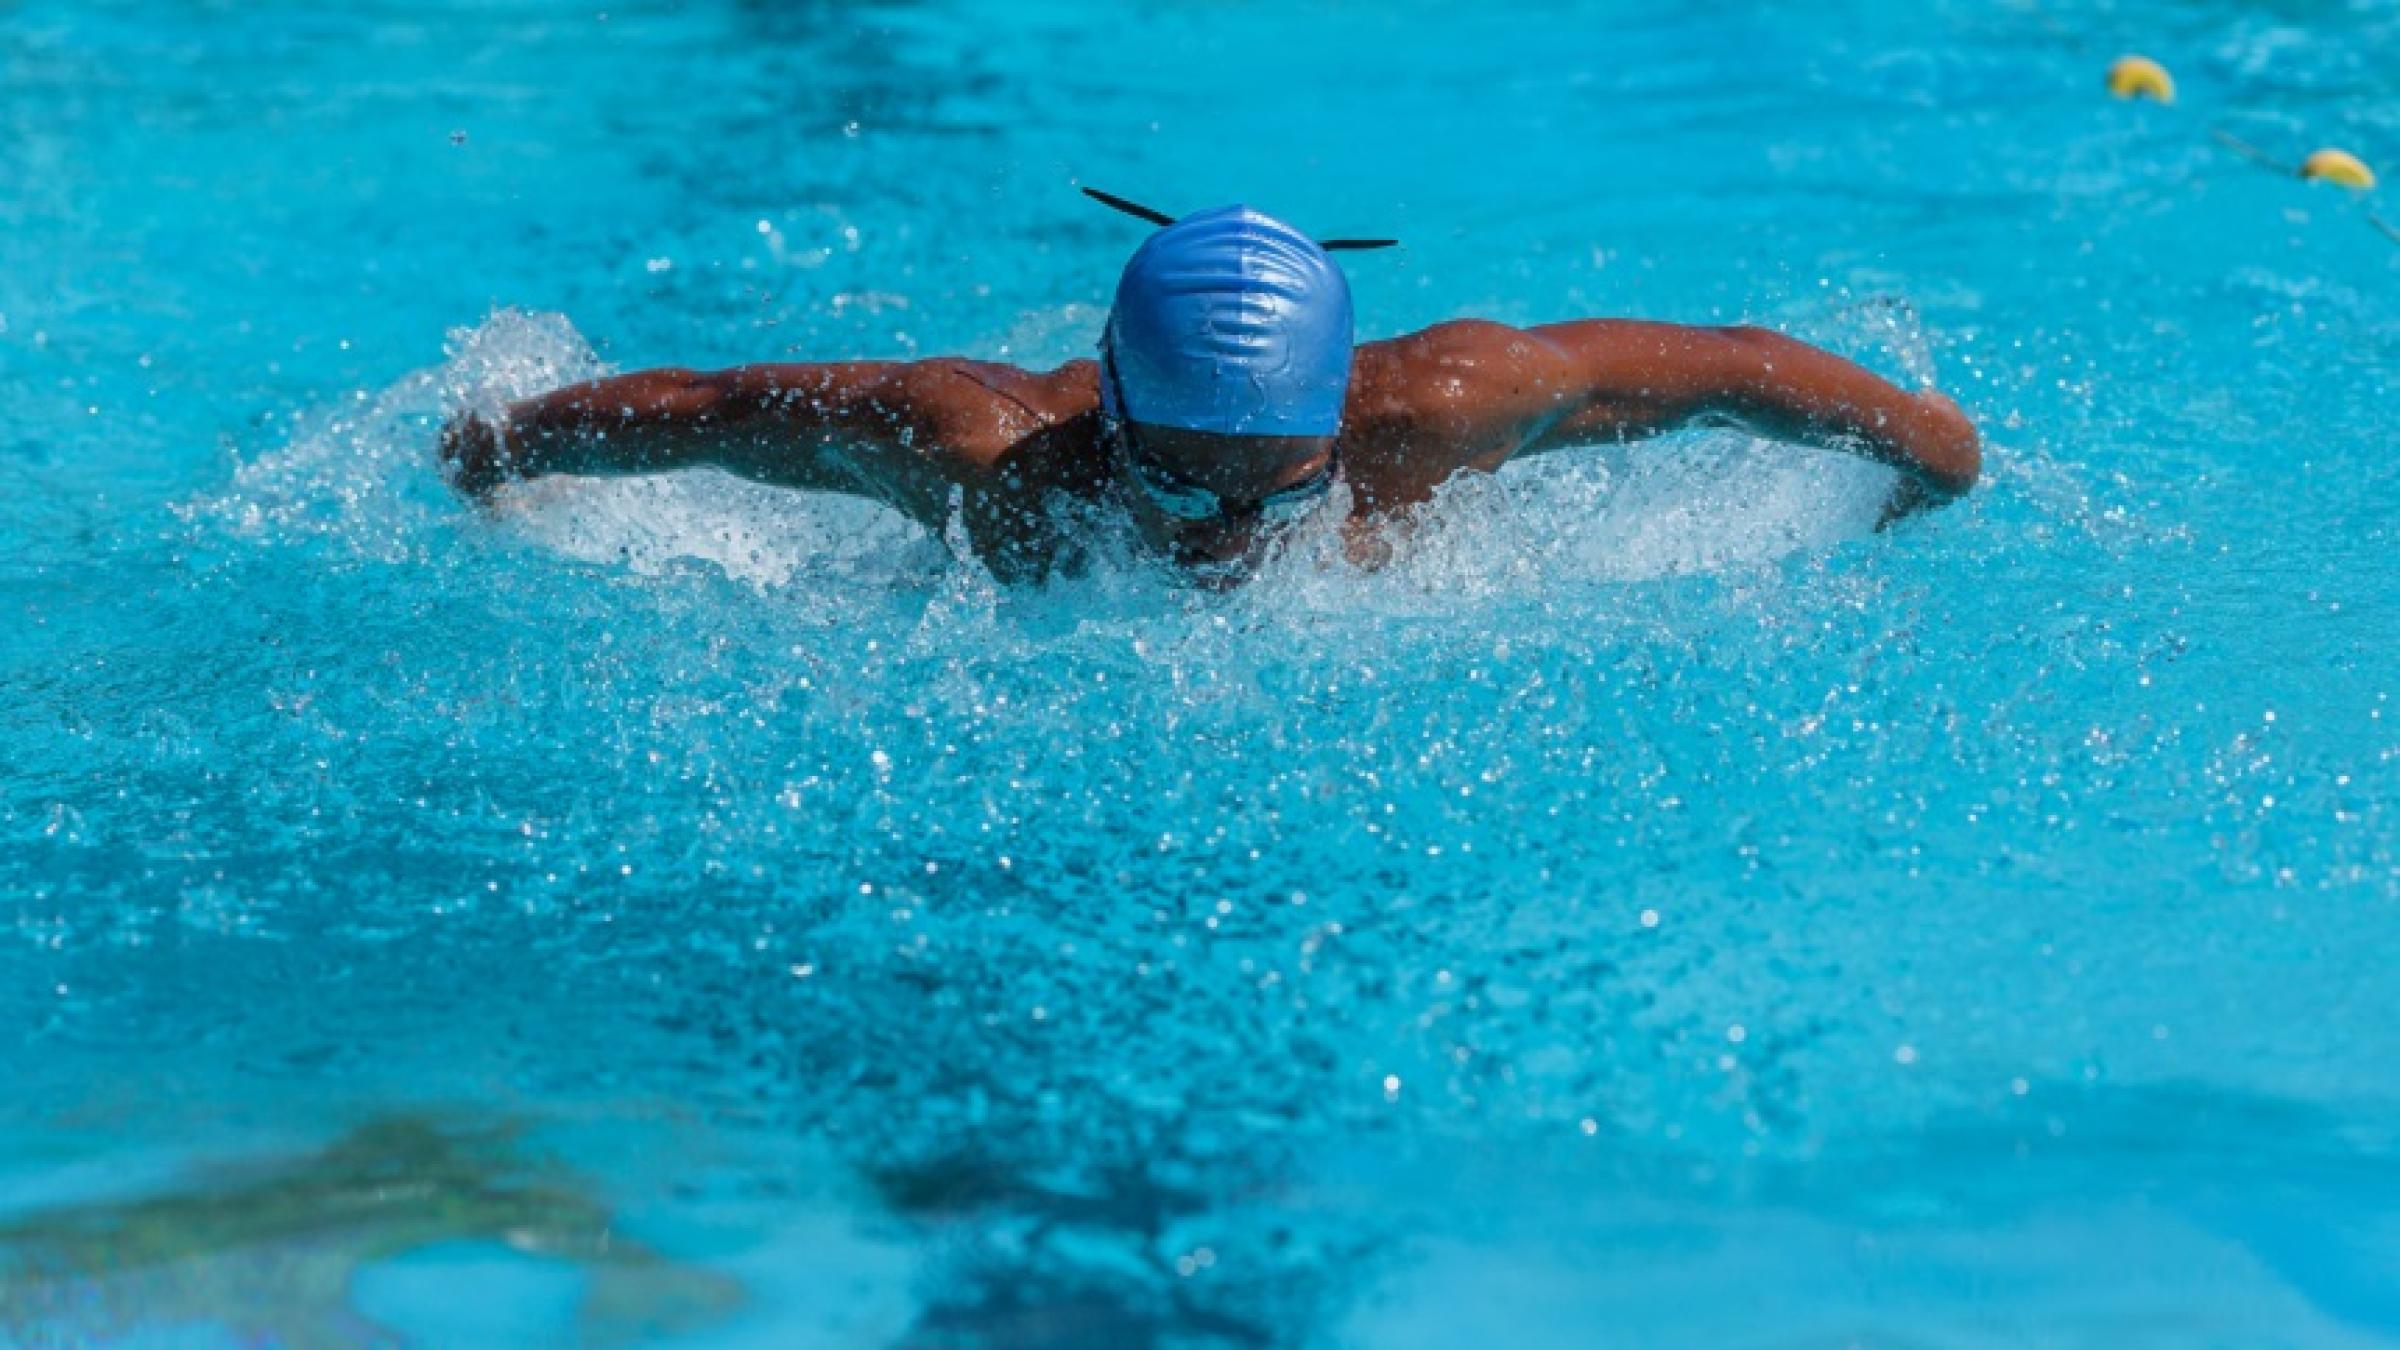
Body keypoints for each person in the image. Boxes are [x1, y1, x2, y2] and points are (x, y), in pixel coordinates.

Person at [441, 192, 1980, 585]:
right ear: (1104, 413)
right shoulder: (980, 449)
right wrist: (506, 436)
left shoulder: (1439, 408)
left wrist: (1930, 445)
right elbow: (721, 410)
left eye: (1270, 488)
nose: (1223, 535)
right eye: (1176, 481)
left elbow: (1729, 373)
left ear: (1337, 434)